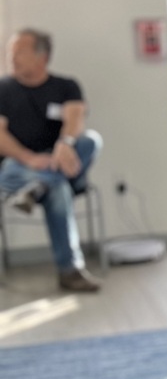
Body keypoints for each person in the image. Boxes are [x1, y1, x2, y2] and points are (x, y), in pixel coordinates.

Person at [0, 29, 103, 292]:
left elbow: (75, 117)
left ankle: (41, 185)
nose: (12, 57)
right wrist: (30, 158)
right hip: (18, 169)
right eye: (10, 52)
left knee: (90, 141)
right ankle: (70, 272)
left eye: (19, 52)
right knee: (56, 188)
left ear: (42, 57)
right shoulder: (3, 90)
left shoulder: (66, 86)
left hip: (61, 163)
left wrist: (64, 144)